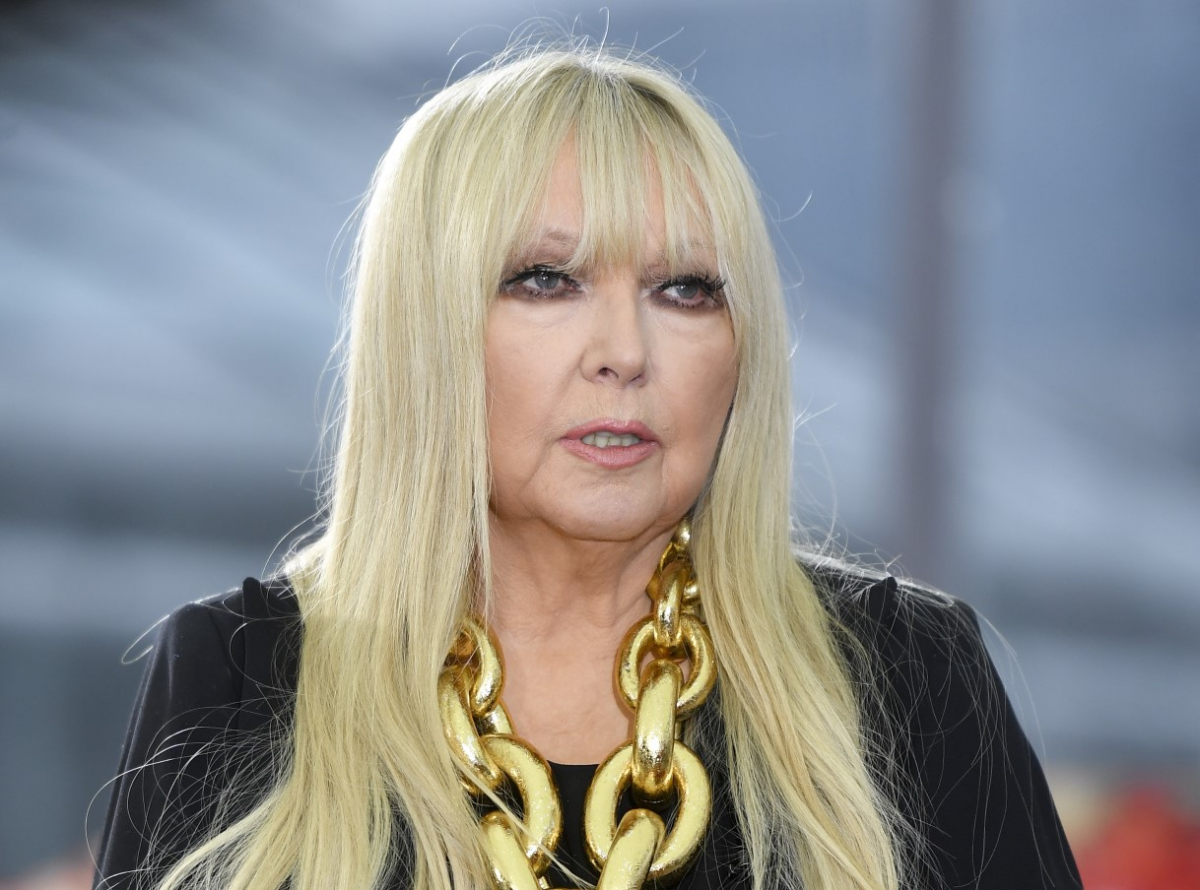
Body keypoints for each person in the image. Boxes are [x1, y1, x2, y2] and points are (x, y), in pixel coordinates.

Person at [93, 44, 1082, 890]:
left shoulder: (909, 679)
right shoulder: (237, 679)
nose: (624, 351)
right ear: (424, 329)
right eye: (545, 279)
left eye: (685, 289)